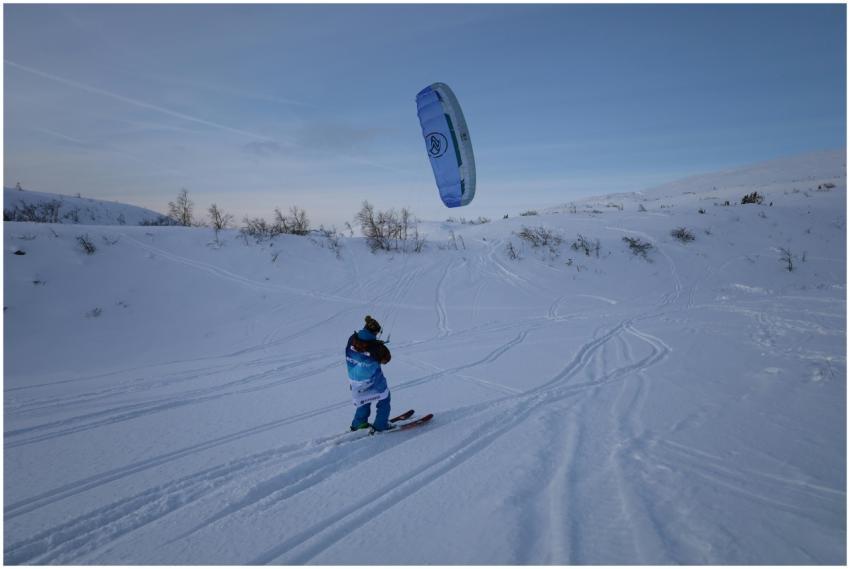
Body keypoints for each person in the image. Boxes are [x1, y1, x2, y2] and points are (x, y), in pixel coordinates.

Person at [345, 315, 392, 431]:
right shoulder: (377, 349)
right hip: (372, 382)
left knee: (363, 400)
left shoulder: (352, 339)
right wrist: (379, 345)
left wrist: (375, 344)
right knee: (385, 398)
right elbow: (386, 359)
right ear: (375, 333)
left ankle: (359, 424)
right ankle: (381, 425)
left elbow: (363, 346)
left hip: (355, 381)